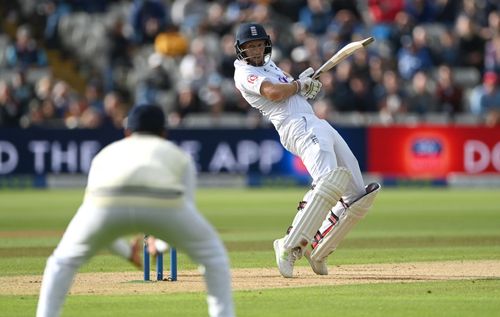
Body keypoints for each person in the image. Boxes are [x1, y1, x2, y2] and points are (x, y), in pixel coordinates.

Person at [36, 105, 234, 317]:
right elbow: (186, 214)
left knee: (62, 261)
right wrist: (158, 246)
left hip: (106, 203)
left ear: (127, 131)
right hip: (164, 204)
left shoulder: (105, 154)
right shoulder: (179, 156)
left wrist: (127, 252)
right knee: (214, 257)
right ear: (163, 133)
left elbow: (95, 221)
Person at [233, 22, 380, 278]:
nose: (255, 50)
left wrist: (305, 86)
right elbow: (274, 93)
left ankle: (319, 250)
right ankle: (288, 245)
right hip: (297, 128)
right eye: (250, 46)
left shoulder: (270, 65)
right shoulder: (244, 72)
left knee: (358, 196)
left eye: (258, 45)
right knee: (327, 182)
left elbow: (291, 92)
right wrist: (299, 86)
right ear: (241, 50)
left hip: (314, 123)